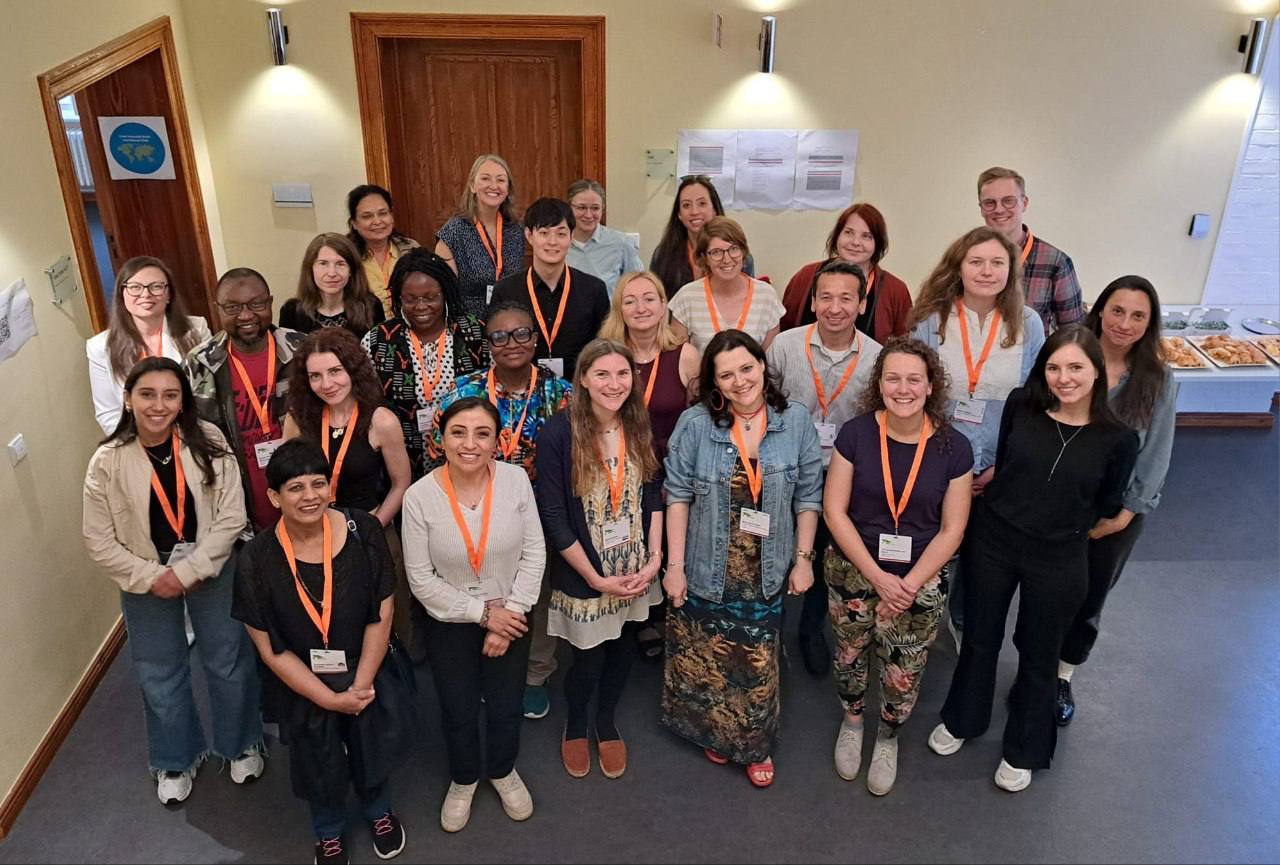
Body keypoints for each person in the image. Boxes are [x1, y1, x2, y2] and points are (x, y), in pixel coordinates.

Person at [929, 326, 1138, 793]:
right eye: (1054, 367)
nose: (1064, 378)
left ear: (1097, 371)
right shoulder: (1022, 404)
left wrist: (1067, 530)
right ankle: (963, 719)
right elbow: (1005, 464)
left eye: (1076, 367)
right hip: (995, 540)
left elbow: (1107, 503)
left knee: (1040, 652)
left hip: (1060, 554)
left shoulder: (1119, 439)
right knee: (980, 638)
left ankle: (1024, 748)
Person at [82, 357, 262, 806]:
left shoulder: (209, 441)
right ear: (128, 399)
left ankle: (241, 743)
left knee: (228, 660)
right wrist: (155, 577)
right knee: (158, 670)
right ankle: (176, 758)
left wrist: (189, 570)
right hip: (145, 576)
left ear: (183, 402)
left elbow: (232, 515)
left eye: (170, 395)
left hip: (210, 565)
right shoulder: (106, 461)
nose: (158, 405)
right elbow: (98, 540)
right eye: (147, 394)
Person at [233, 440, 412, 864]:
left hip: (365, 668)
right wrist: (328, 698)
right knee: (317, 756)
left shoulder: (362, 530)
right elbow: (269, 650)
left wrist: (360, 684)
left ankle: (378, 809)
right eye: (295, 487)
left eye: (318, 483)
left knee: (370, 742)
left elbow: (383, 612)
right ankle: (328, 829)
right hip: (303, 680)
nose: (310, 495)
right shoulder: (257, 558)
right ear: (274, 497)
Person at [661, 330, 823, 788]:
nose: (740, 381)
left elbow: (809, 497)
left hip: (765, 567)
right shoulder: (695, 424)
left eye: (747, 368)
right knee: (706, 660)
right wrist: (675, 568)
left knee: (754, 664)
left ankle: (753, 745)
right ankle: (717, 734)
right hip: (706, 563)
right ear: (714, 381)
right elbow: (677, 497)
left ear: (762, 366)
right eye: (726, 375)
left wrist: (804, 559)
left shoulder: (795, 421)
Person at [822, 338, 973, 795]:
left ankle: (888, 737)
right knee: (849, 655)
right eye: (892, 378)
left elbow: (952, 530)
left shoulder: (954, 447)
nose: (902, 389)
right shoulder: (855, 435)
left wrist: (906, 585)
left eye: (913, 379)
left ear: (930, 387)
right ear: (879, 384)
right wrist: (878, 578)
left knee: (904, 666)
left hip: (919, 578)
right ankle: (852, 723)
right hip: (855, 569)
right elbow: (835, 511)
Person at [401, 397, 545, 832]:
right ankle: (463, 779)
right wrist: (484, 615)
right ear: (440, 440)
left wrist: (509, 614)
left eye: (482, 434)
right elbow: (420, 579)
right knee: (458, 709)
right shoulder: (418, 497)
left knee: (505, 705)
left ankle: (502, 770)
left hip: (513, 615)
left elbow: (535, 553)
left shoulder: (515, 481)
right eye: (458, 433)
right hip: (449, 623)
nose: (470, 444)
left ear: (496, 441)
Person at [434, 300, 572, 720]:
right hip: (473, 515)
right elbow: (436, 452)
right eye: (499, 336)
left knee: (538, 595)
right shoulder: (464, 392)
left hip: (541, 517)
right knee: (483, 590)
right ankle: (489, 668)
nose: (511, 343)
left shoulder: (562, 395)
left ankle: (535, 674)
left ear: (535, 339)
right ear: (487, 343)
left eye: (521, 333)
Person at [909, 226, 1046, 647]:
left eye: (997, 263)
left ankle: (964, 619)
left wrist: (1002, 466)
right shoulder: (932, 319)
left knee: (983, 553)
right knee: (933, 540)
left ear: (1011, 270)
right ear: (959, 267)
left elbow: (1034, 403)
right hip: (938, 460)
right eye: (976, 262)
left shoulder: (1028, 323)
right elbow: (913, 395)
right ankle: (918, 616)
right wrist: (945, 468)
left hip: (1000, 466)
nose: (987, 271)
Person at [535, 338, 664, 780]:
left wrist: (655, 558)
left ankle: (606, 721)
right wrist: (594, 578)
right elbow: (554, 516)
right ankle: (576, 722)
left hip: (636, 566)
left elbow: (653, 493)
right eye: (603, 374)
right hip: (584, 571)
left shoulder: (638, 423)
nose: (614, 384)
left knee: (623, 649)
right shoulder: (558, 434)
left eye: (623, 373)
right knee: (587, 658)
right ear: (584, 380)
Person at [1056, 276, 1177, 726]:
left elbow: (1157, 453)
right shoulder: (1069, 358)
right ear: (1100, 310)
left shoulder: (1158, 380)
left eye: (1138, 316)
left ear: (1150, 324)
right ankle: (1033, 670)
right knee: (1047, 593)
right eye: (1118, 311)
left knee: (1088, 598)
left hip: (1113, 515)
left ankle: (1062, 675)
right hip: (1058, 505)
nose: (1125, 323)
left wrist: (1124, 515)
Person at [766, 260, 883, 677]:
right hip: (786, 468)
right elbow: (764, 401)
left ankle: (811, 629)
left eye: (846, 298)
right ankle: (768, 631)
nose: (835, 307)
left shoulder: (876, 358)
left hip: (842, 475)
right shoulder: (785, 346)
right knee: (776, 548)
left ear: (862, 304)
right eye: (826, 297)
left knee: (824, 556)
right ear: (813, 301)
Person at [283, 328, 416, 656]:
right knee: (331, 624)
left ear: (353, 370)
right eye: (315, 376)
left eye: (335, 371)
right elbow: (287, 481)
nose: (326, 384)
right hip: (313, 537)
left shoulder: (381, 420)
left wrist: (372, 527)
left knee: (389, 625)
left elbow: (401, 483)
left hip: (370, 533)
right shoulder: (299, 419)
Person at [598, 270, 700, 660]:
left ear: (663, 305)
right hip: (618, 473)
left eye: (649, 299)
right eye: (630, 300)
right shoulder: (607, 356)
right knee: (627, 544)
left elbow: (701, 419)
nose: (641, 308)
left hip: (672, 472)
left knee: (670, 546)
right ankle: (635, 620)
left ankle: (665, 615)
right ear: (619, 309)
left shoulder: (685, 355)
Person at [189, 267, 304, 532]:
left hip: (307, 497)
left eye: (256, 304)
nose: (246, 315)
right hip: (238, 512)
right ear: (217, 309)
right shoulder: (199, 365)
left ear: (270, 302)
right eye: (232, 307)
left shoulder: (303, 350)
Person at [361, 249, 488, 480]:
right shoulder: (378, 340)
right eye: (411, 299)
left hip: (467, 456)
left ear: (445, 294)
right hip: (401, 461)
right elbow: (365, 400)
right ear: (399, 298)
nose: (421, 306)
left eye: (430, 297)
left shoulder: (474, 333)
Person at [87, 256, 211, 434]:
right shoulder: (100, 347)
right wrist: (143, 444)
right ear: (122, 295)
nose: (145, 294)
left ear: (169, 294)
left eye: (156, 287)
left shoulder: (196, 330)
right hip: (137, 440)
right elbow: (108, 413)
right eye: (135, 287)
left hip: (194, 434)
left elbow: (209, 397)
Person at [490, 197, 610, 380]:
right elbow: (497, 345)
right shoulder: (505, 290)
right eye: (544, 233)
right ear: (529, 235)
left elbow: (603, 348)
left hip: (580, 387)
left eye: (561, 234)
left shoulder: (594, 289)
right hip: (522, 387)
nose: (552, 242)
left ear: (571, 237)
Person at [779, 203, 913, 341]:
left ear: (878, 243)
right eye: (848, 232)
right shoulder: (806, 276)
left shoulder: (895, 290)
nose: (855, 242)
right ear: (837, 235)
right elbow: (785, 329)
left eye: (866, 236)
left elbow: (905, 342)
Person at [977, 166, 1083, 333]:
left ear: (1024, 203)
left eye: (1008, 201)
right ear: (981, 208)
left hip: (1032, 351)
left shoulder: (1055, 262)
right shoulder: (965, 259)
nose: (999, 209)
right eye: (990, 203)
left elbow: (1073, 333)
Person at [668, 216, 784, 353]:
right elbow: (678, 360)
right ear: (705, 258)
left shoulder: (766, 295)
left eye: (734, 249)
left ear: (743, 252)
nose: (727, 259)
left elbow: (769, 361)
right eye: (716, 252)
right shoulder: (686, 297)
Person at [435, 154, 525, 317]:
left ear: (508, 189)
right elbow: (446, 293)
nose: (494, 186)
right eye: (485, 178)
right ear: (472, 186)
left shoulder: (516, 230)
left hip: (509, 321)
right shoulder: (453, 232)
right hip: (470, 323)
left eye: (500, 180)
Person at [648, 175, 756, 296]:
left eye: (702, 203)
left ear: (714, 209)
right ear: (679, 214)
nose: (694, 212)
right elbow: (655, 299)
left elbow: (747, 297)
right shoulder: (663, 255)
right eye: (686, 205)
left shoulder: (739, 256)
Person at [280, 233, 383, 338]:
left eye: (340, 264)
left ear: (351, 270)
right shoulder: (292, 311)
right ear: (311, 269)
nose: (332, 273)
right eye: (323, 263)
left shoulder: (371, 306)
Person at [346, 184, 421, 319]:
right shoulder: (345, 256)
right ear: (354, 223)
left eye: (383, 213)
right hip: (364, 327)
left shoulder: (411, 248)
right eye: (367, 216)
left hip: (410, 325)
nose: (377, 221)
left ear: (391, 216)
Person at [564, 179, 644, 296]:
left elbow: (639, 285)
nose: (588, 215)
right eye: (581, 208)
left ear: (603, 208)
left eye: (595, 208)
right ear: (569, 208)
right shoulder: (557, 244)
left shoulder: (621, 243)